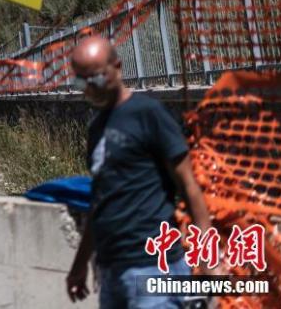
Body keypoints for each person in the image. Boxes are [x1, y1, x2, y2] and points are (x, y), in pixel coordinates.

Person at [65, 36, 212, 308]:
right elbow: (99, 203)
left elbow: (189, 186)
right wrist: (80, 263)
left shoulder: (148, 114)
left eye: (96, 79)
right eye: (80, 82)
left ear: (118, 67)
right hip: (112, 270)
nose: (90, 89)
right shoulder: (97, 128)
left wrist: (208, 256)